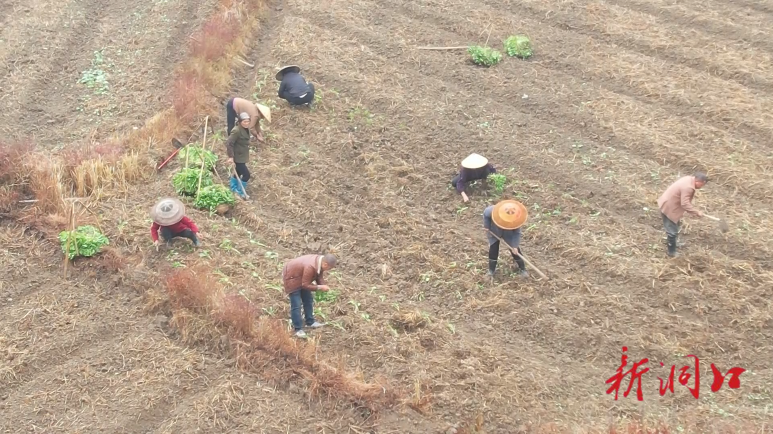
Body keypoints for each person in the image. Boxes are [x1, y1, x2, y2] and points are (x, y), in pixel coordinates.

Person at [281, 253, 337, 338]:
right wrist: (319, 287)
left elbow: (319, 277)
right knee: (296, 304)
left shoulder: (320, 262)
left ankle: (310, 321)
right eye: (329, 268)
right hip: (291, 277)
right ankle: (298, 329)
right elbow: (305, 285)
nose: (329, 270)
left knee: (308, 300)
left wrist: (323, 286)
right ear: (325, 264)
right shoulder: (311, 266)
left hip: (301, 276)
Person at [657, 172, 708, 257]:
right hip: (670, 207)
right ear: (698, 181)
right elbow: (684, 203)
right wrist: (696, 212)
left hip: (668, 202)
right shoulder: (688, 187)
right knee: (672, 230)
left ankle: (674, 243)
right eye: (702, 185)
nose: (701, 187)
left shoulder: (688, 178)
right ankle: (671, 252)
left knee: (675, 225)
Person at [483, 199, 528, 278]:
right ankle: (491, 270)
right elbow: (486, 214)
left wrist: (514, 246)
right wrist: (487, 226)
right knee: (493, 249)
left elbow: (517, 233)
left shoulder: (516, 219)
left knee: (515, 251)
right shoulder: (493, 211)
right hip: (495, 229)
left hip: (509, 232)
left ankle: (522, 269)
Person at [225, 112, 253, 199]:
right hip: (237, 156)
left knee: (238, 172)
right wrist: (230, 157)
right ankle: (240, 192)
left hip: (242, 155)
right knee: (246, 175)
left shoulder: (246, 129)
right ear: (240, 122)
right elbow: (229, 143)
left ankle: (233, 188)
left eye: (248, 121)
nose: (246, 123)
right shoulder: (236, 130)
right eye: (244, 121)